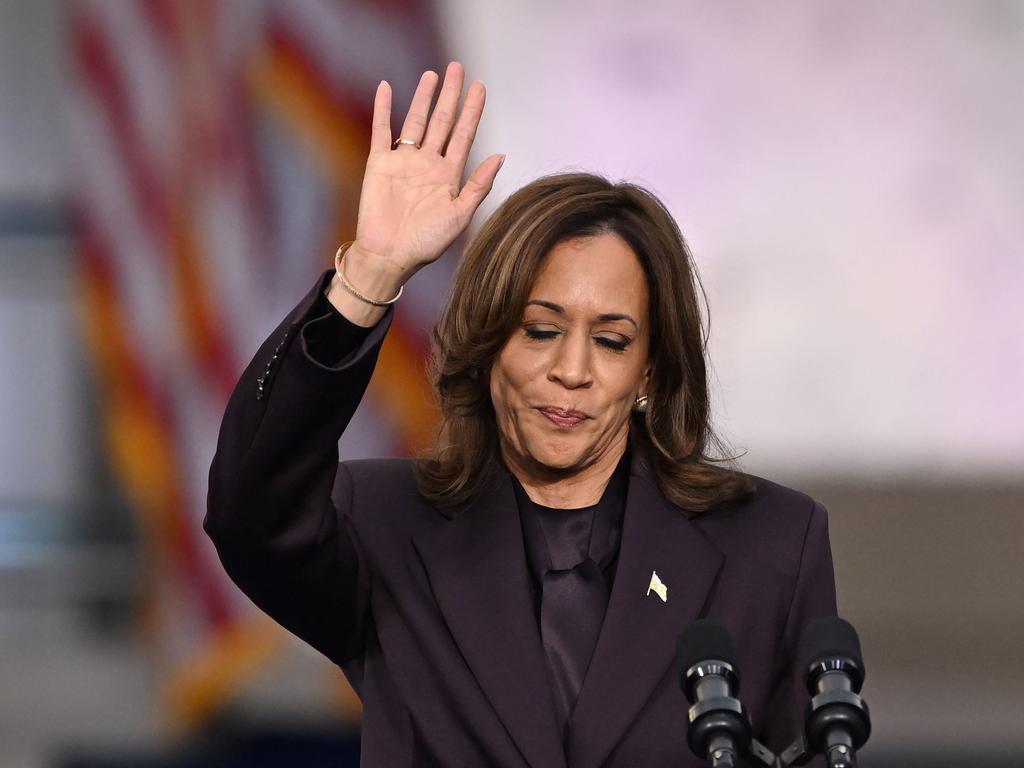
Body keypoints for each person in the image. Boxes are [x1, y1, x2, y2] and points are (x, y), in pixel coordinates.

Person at [205, 62, 836, 767]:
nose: (572, 369)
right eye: (540, 330)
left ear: (651, 368)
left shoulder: (772, 546)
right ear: (486, 343)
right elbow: (249, 513)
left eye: (612, 340)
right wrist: (370, 278)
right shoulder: (386, 529)